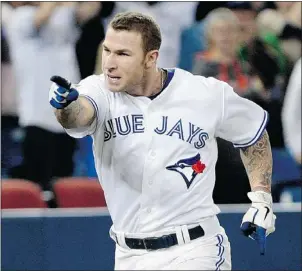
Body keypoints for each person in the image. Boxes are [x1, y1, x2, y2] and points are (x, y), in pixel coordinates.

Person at [49, 12, 276, 270]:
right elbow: (78, 115)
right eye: (108, 51)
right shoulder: (99, 90)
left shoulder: (203, 93)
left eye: (123, 54)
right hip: (128, 255)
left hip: (195, 247)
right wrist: (65, 104)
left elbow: (253, 133)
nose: (110, 63)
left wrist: (261, 198)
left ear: (151, 58)